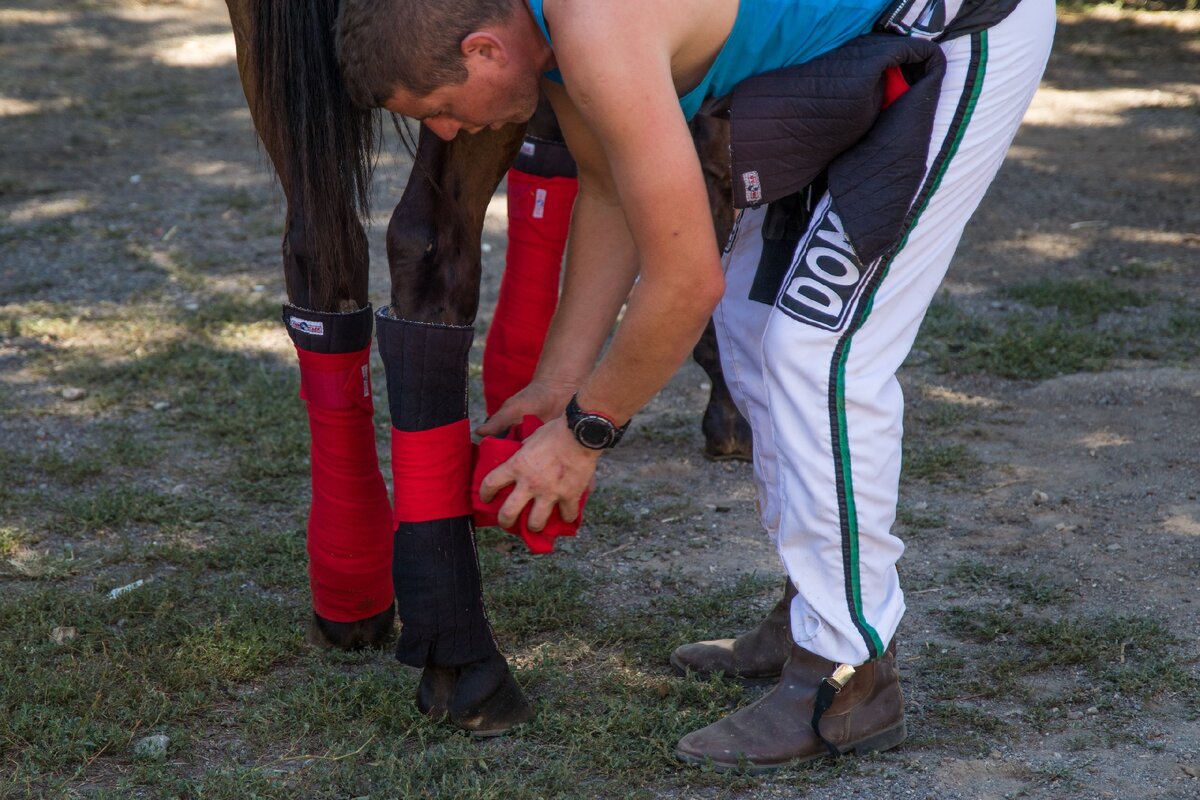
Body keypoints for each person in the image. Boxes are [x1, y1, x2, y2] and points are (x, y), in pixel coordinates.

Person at [336, 0, 1055, 770]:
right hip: (875, 28)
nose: (447, 134)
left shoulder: (595, 35)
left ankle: (844, 675)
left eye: (441, 110)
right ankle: (812, 611)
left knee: (817, 352)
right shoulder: (555, 45)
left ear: (483, 49)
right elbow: (610, 194)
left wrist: (586, 434)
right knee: (753, 328)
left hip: (963, 22)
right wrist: (557, 382)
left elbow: (683, 283)